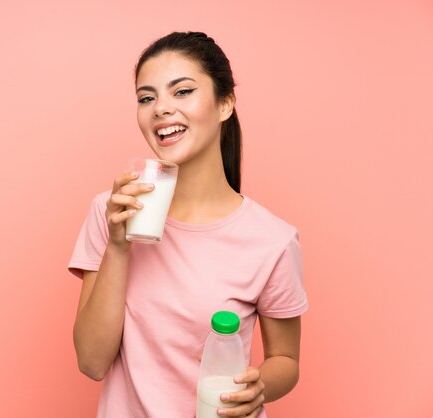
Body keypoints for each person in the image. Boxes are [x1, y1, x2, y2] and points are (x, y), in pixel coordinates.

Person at [68, 31, 308, 418]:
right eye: (147, 98)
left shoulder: (273, 240)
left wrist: (258, 386)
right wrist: (117, 246)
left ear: (226, 103)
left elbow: (285, 358)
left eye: (182, 92)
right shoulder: (111, 212)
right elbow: (92, 363)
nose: (161, 108)